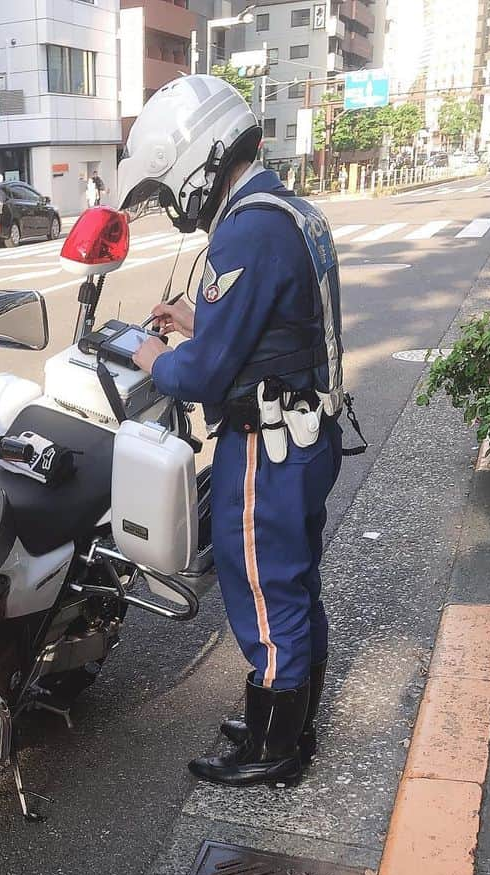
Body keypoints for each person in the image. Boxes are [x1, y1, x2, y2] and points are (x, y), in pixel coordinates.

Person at [120, 74, 350, 788]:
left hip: (267, 443)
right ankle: (291, 718)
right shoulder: (291, 211)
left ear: (197, 158)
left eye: (166, 187)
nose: (171, 203)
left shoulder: (246, 227)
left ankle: (273, 746)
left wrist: (154, 354)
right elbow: (283, 329)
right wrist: (199, 321)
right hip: (309, 433)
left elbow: (205, 376)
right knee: (295, 578)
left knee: (260, 584)